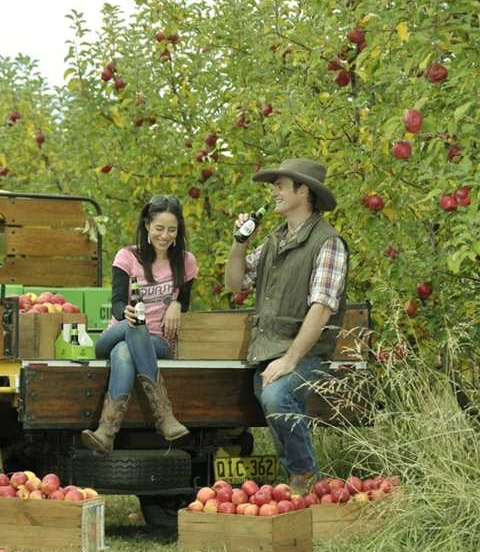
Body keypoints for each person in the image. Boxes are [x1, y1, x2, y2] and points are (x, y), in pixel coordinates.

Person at [223, 158, 349, 491]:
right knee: (268, 395)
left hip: (308, 356)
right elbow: (235, 284)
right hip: (268, 351)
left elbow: (321, 311)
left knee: (277, 396)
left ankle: (305, 477)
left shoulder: (328, 243)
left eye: (280, 185)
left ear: (303, 190)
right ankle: (300, 482)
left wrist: (289, 360)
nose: (274, 191)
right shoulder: (274, 240)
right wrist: (239, 243)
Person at [81, 195, 198, 457]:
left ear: (178, 231)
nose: (165, 235)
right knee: (133, 330)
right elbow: (117, 303)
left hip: (158, 344)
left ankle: (106, 432)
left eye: (172, 230)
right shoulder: (128, 256)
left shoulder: (186, 262)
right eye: (159, 228)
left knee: (124, 352)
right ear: (147, 225)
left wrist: (178, 304)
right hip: (118, 332)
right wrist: (127, 312)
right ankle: (164, 416)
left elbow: (186, 302)